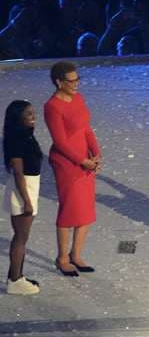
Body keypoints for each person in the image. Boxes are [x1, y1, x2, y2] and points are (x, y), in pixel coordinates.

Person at [44, 61, 102, 277]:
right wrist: (81, 161)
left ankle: (76, 255)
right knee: (70, 210)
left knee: (85, 209)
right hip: (67, 164)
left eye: (78, 79)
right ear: (59, 82)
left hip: (85, 160)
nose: (77, 83)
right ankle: (62, 258)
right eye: (72, 80)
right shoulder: (53, 106)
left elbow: (86, 128)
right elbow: (60, 141)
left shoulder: (78, 98)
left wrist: (95, 154)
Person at [3, 100, 43, 295]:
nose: (33, 116)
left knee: (22, 237)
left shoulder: (24, 135)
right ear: (18, 117)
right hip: (23, 188)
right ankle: (15, 280)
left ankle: (17, 275)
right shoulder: (17, 138)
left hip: (29, 186)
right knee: (21, 237)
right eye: (28, 114)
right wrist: (27, 200)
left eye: (32, 112)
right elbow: (19, 173)